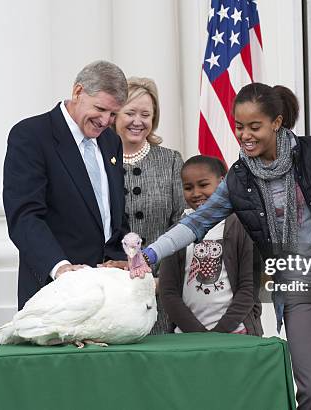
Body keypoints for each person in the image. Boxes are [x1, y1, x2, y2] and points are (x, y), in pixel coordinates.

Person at [144, 83, 311, 409]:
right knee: (310, 391)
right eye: (239, 127)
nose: (245, 135)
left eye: (255, 126)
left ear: (276, 123)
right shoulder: (240, 178)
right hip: (297, 290)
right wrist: (151, 252)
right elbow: (197, 222)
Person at [3, 60, 130, 309]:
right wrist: (61, 268)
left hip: (109, 295)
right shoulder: (31, 135)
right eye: (101, 109)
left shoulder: (111, 142)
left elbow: (113, 217)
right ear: (78, 92)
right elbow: (25, 216)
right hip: (54, 292)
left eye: (113, 114)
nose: (106, 121)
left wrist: (125, 259)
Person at [111, 77, 184, 334]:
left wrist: (163, 278)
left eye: (146, 114)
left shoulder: (171, 160)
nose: (137, 121)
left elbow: (180, 223)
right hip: (111, 291)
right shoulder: (97, 159)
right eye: (130, 113)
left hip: (160, 288)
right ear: (115, 114)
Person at [159, 155, 262, 336]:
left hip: (236, 333)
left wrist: (220, 333)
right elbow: (168, 293)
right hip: (188, 337)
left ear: (222, 183)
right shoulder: (176, 233)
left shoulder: (243, 228)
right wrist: (199, 334)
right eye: (188, 188)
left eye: (203, 185)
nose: (196, 193)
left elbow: (248, 289)